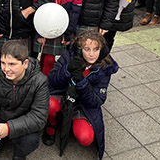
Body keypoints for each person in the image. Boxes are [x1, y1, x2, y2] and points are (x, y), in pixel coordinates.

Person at [45, 31, 118, 160]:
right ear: (79, 49)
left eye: (96, 49)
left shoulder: (104, 68)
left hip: (83, 104)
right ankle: (51, 126)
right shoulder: (68, 56)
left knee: (85, 138)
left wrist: (82, 83)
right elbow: (53, 80)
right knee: (50, 104)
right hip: (64, 94)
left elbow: (97, 100)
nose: (91, 54)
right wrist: (67, 69)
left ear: (102, 50)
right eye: (87, 49)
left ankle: (72, 121)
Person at [0, 40, 49, 160]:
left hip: (23, 125)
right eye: (3, 63)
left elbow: (38, 117)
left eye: (12, 64)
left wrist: (9, 128)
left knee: (29, 141)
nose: (6, 69)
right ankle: (2, 139)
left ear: (25, 63)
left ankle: (19, 155)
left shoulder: (40, 81)